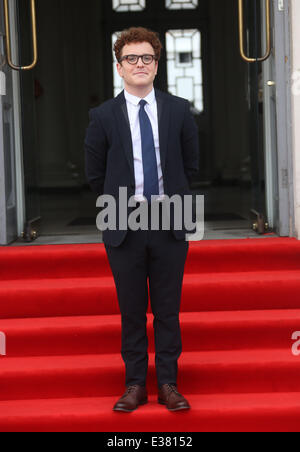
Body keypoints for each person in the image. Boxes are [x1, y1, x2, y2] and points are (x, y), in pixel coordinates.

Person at [85, 27, 199, 412]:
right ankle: (135, 384)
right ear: (119, 67)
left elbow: (191, 164)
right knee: (132, 309)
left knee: (168, 308)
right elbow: (94, 174)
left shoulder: (180, 109)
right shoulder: (102, 116)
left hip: (171, 217)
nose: (140, 64)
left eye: (147, 57)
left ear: (157, 64)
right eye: (131, 58)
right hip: (123, 218)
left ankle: (168, 383)